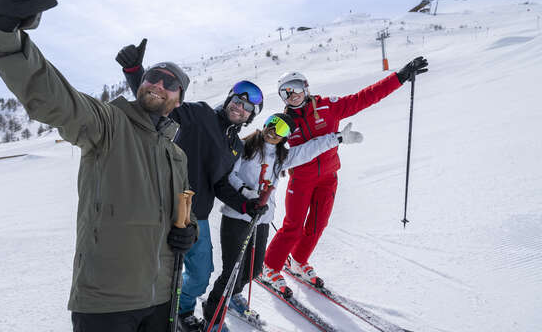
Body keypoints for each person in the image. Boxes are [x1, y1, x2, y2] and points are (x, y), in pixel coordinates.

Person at [0, 0, 199, 331]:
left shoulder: (176, 155)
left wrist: (191, 232)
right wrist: (1, 34)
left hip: (163, 298)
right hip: (107, 303)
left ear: (178, 99)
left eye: (171, 83)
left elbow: (184, 214)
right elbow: (53, 97)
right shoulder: (109, 123)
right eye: (154, 76)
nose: (158, 84)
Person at [117, 41, 266, 331]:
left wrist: (246, 204)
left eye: (248, 106)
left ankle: (183, 310)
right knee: (158, 271)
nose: (239, 106)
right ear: (228, 100)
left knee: (200, 274)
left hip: (197, 214)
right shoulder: (199, 115)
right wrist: (135, 73)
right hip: (166, 204)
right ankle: (147, 317)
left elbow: (221, 182)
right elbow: (161, 106)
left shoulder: (235, 145)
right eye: (237, 99)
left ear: (252, 115)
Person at [262, 58, 429, 296]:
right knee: (293, 226)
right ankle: (270, 267)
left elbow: (366, 97)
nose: (292, 94)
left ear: (306, 87)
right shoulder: (285, 121)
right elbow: (268, 149)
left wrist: (400, 77)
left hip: (328, 176)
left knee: (318, 224)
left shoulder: (329, 106)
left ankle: (298, 261)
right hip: (301, 179)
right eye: (286, 92)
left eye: (296, 87)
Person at [201, 114, 364, 330]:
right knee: (232, 271)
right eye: (273, 124)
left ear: (287, 137)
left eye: (283, 130)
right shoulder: (244, 147)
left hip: (262, 219)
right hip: (237, 217)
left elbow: (309, 149)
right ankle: (212, 317)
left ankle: (234, 295)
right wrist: (246, 192)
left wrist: (338, 138)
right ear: (266, 123)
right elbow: (230, 175)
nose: (275, 131)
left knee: (255, 268)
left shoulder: (282, 156)